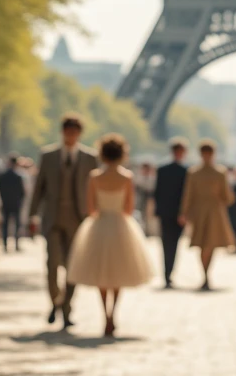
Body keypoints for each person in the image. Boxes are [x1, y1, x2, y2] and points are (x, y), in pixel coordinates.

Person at [66, 134, 154, 337]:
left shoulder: (95, 177)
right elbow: (129, 208)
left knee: (101, 274)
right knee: (118, 273)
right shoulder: (127, 177)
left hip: (100, 225)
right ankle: (113, 314)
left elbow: (90, 208)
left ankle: (104, 314)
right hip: (120, 226)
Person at [29, 113, 99, 328]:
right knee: (52, 264)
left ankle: (66, 308)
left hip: (78, 219)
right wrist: (32, 215)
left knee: (72, 266)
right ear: (62, 132)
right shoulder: (48, 156)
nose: (70, 136)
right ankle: (55, 300)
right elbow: (39, 187)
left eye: (74, 132)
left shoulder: (89, 158)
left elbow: (94, 190)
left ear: (79, 134)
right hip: (53, 217)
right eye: (68, 132)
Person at [179, 140, 235, 291]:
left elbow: (188, 195)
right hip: (215, 211)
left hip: (200, 211)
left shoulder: (194, 172)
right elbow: (227, 197)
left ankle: (204, 275)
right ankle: (206, 274)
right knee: (210, 244)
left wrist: (184, 212)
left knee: (203, 244)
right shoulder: (219, 172)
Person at [154, 138, 189, 288]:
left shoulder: (162, 169)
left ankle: (167, 274)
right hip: (176, 213)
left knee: (167, 244)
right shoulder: (185, 171)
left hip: (168, 212)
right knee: (172, 244)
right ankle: (168, 274)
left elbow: (157, 192)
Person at [0, 155, 27, 252]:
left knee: (5, 225)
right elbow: (22, 192)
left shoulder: (2, 176)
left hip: (5, 203)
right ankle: (16, 244)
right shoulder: (18, 177)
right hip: (16, 203)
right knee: (17, 224)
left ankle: (5, 244)